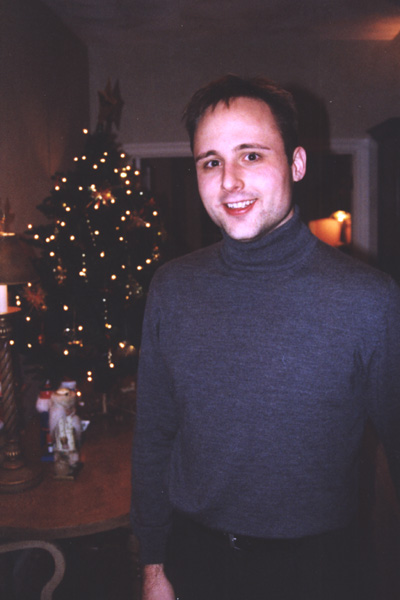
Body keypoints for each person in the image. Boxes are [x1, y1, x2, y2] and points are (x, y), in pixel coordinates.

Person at [131, 74, 400, 600]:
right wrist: (153, 564)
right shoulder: (172, 288)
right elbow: (154, 437)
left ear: (296, 164)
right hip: (195, 560)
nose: (229, 181)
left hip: (318, 572)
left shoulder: (369, 299)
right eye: (211, 162)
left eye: (250, 155)